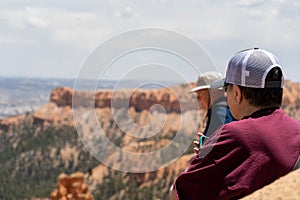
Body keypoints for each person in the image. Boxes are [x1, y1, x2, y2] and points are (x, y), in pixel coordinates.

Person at [170, 48, 300, 200]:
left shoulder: (234, 134)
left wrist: (209, 158)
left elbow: (178, 193)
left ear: (237, 93)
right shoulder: (296, 130)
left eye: (227, 89)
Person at [190, 71, 235, 143]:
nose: (198, 99)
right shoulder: (228, 108)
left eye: (200, 95)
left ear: (213, 92)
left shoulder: (219, 112)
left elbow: (227, 142)